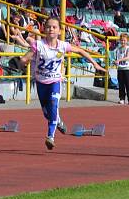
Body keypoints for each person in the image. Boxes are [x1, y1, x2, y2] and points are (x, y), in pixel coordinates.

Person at [21, 17, 104, 150]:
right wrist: (24, 62)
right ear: (44, 29)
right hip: (41, 82)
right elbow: (24, 59)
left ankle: (50, 137)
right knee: (47, 114)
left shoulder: (63, 46)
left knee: (54, 103)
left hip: (55, 81)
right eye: (48, 27)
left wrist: (95, 64)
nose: (51, 29)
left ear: (59, 31)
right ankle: (58, 120)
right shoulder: (38, 45)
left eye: (54, 27)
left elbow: (81, 51)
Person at [114, 33, 129, 105]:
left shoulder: (128, 48)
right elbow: (117, 58)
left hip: (126, 68)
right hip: (120, 69)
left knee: (128, 84)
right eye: (121, 40)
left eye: (124, 40)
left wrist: (119, 60)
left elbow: (128, 57)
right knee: (121, 84)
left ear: (127, 41)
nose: (123, 42)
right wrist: (116, 62)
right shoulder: (118, 49)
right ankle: (122, 98)